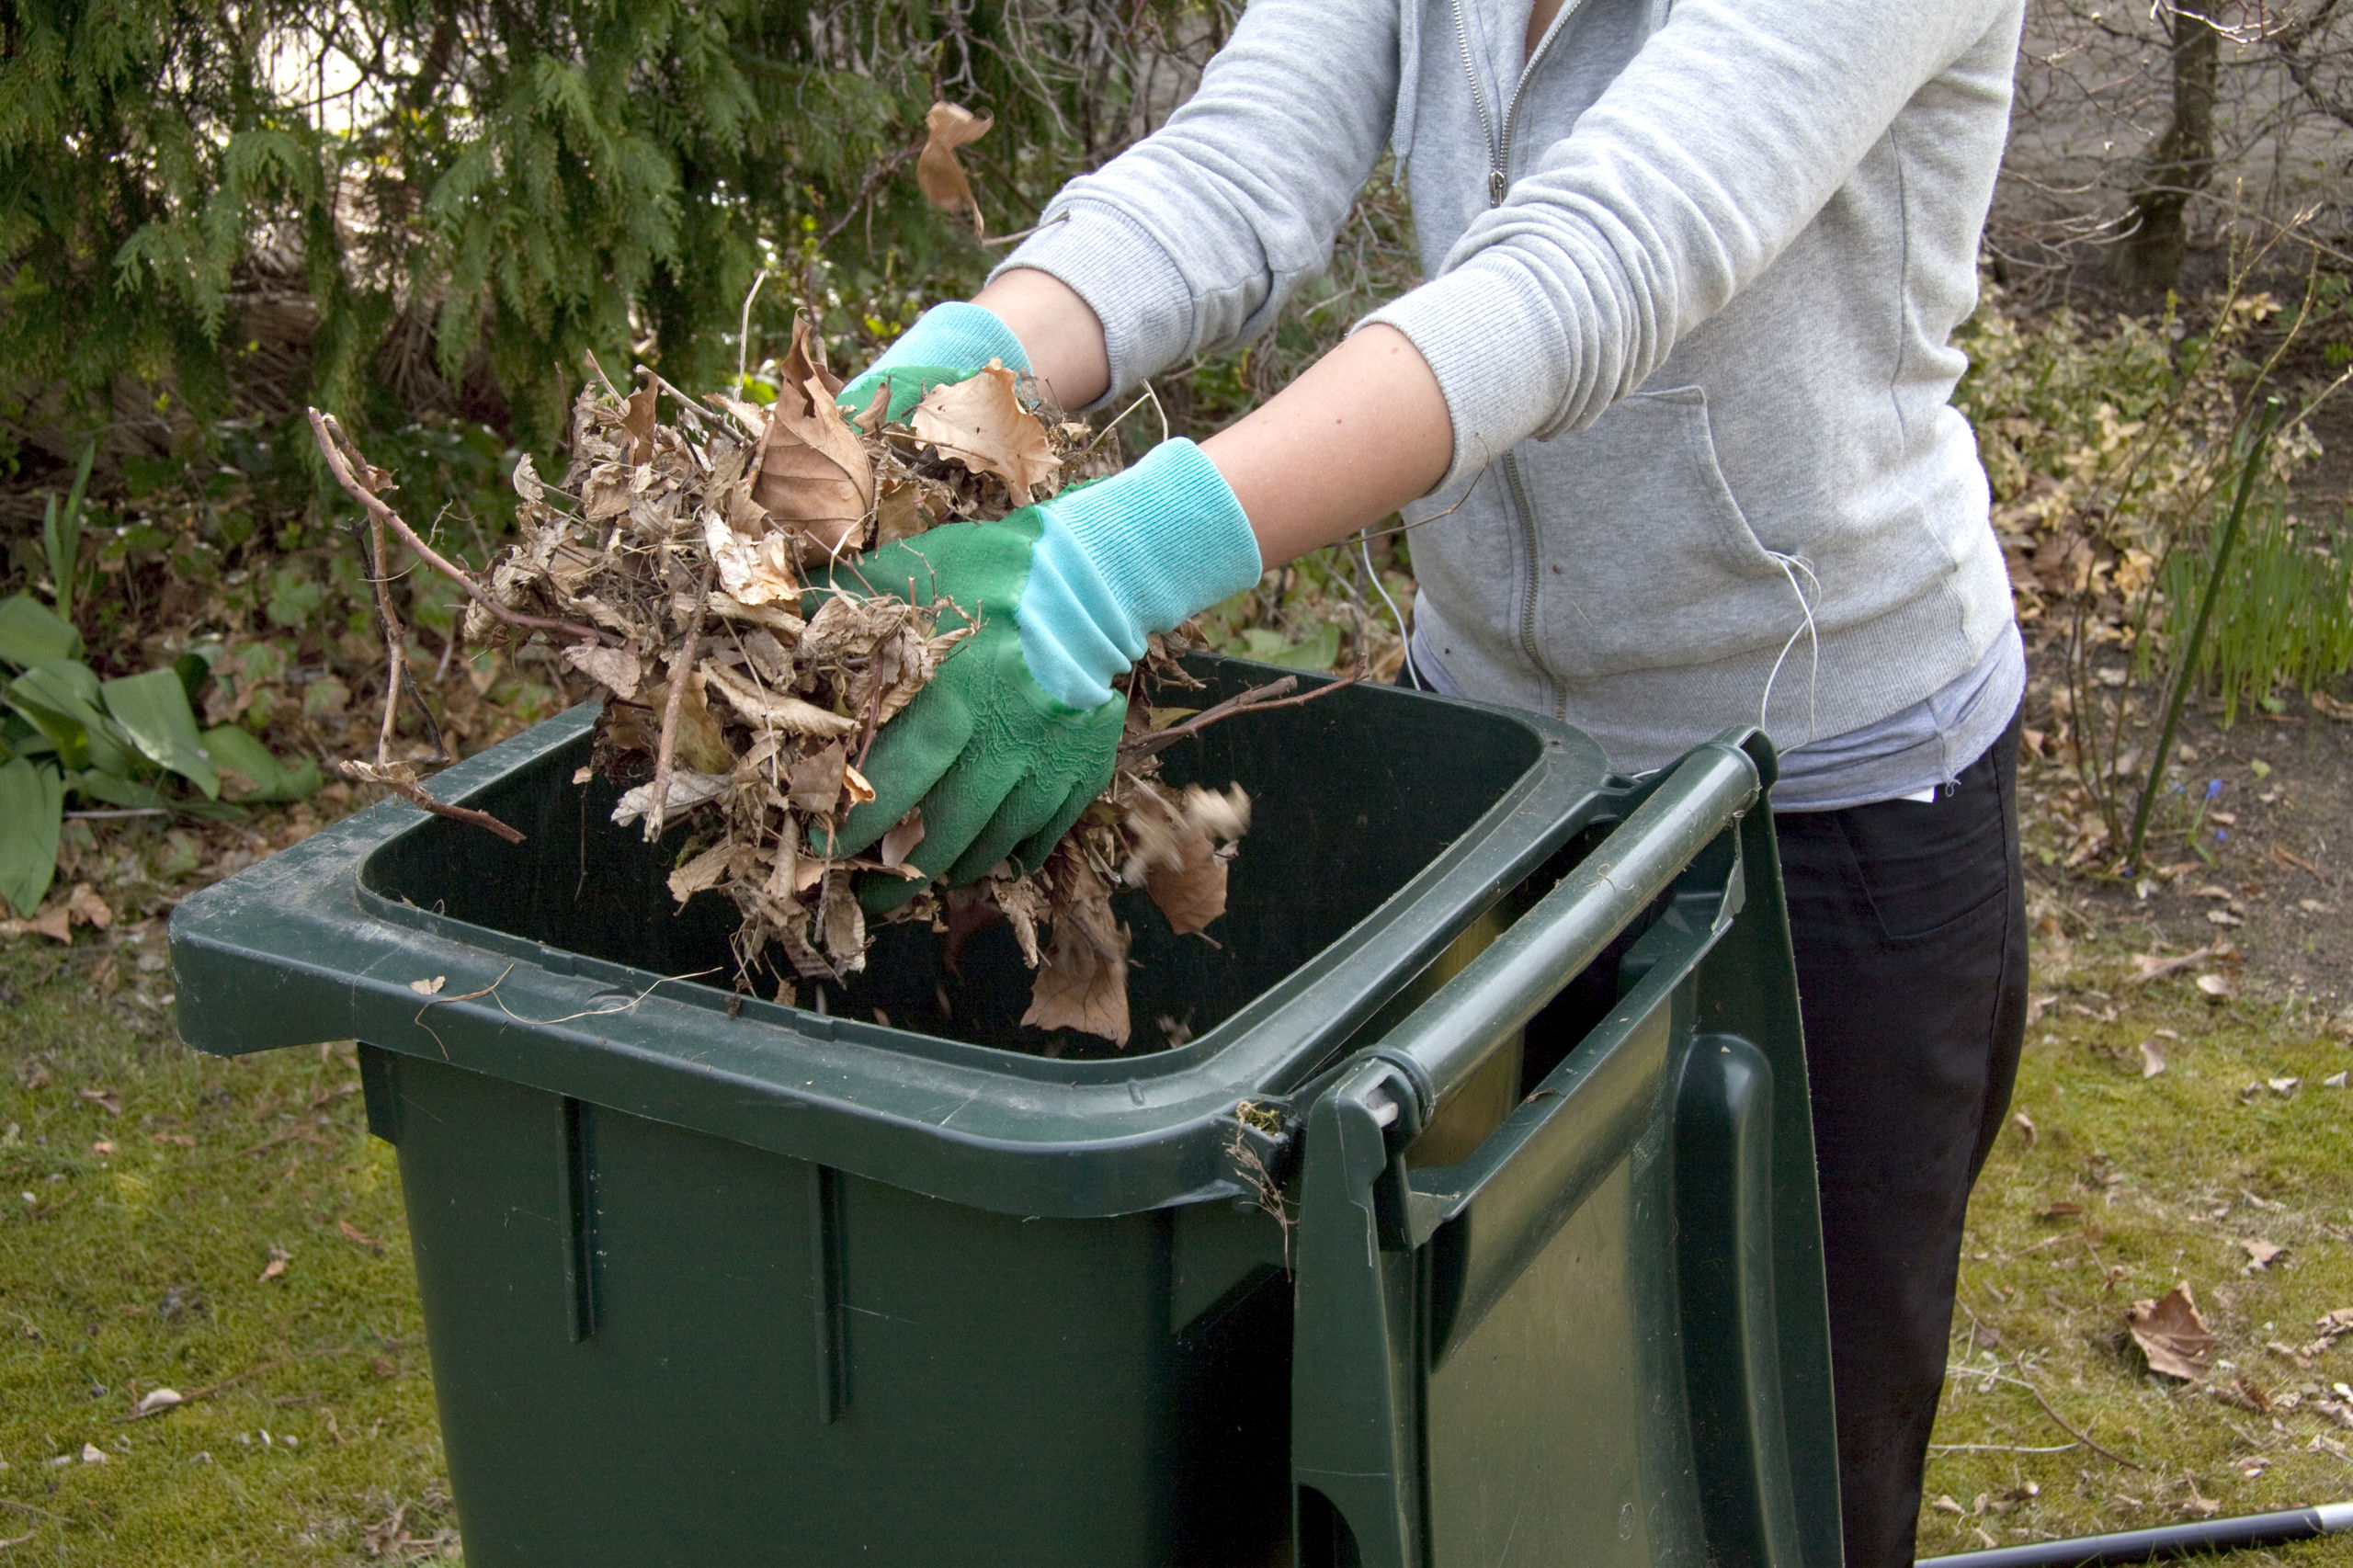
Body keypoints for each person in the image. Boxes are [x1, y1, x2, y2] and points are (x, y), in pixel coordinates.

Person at [821, 0, 2030, 1562]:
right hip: (1496, 776)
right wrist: (960, 371)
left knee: (1769, 1475)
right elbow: (1239, 167)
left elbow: (1597, 261)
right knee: (1449, 1433)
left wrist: (1116, 561)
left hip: (1822, 801)